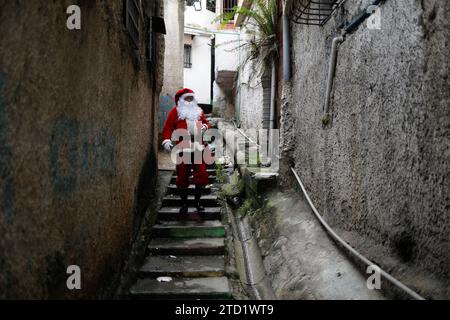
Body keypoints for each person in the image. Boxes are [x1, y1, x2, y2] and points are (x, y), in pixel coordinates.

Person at [161, 88, 211, 218]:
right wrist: (166, 140)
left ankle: (197, 202)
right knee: (182, 177)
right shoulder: (175, 112)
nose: (190, 100)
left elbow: (206, 123)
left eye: (191, 98)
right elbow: (167, 128)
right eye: (187, 98)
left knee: (202, 175)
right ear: (181, 100)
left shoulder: (199, 112)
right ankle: (184, 204)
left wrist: (205, 126)